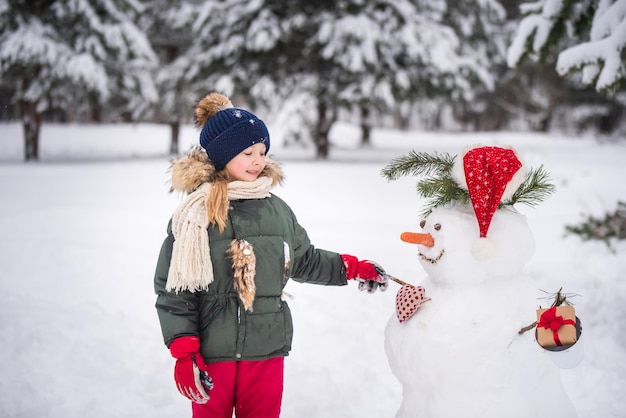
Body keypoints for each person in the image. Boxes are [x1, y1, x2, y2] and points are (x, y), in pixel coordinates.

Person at [154, 92, 389, 418]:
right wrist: (184, 351)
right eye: (247, 152)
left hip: (266, 350)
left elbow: (304, 259)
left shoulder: (276, 211)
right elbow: (174, 288)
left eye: (262, 152)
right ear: (221, 156)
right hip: (212, 353)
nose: (257, 160)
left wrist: (352, 267)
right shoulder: (196, 215)